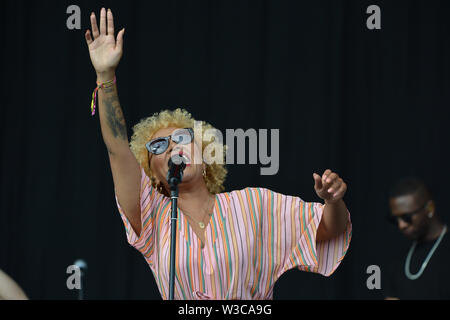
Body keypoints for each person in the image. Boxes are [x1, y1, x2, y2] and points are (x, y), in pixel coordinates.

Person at [84, 8, 352, 300]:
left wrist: (332, 200)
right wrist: (105, 76)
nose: (173, 146)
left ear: (204, 151)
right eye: (159, 147)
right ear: (153, 173)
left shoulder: (254, 204)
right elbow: (117, 148)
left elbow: (328, 228)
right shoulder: (153, 217)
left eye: (182, 138)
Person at [385, 177, 450, 299]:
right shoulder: (400, 260)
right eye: (395, 219)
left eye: (407, 217)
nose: (401, 225)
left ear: (429, 209)